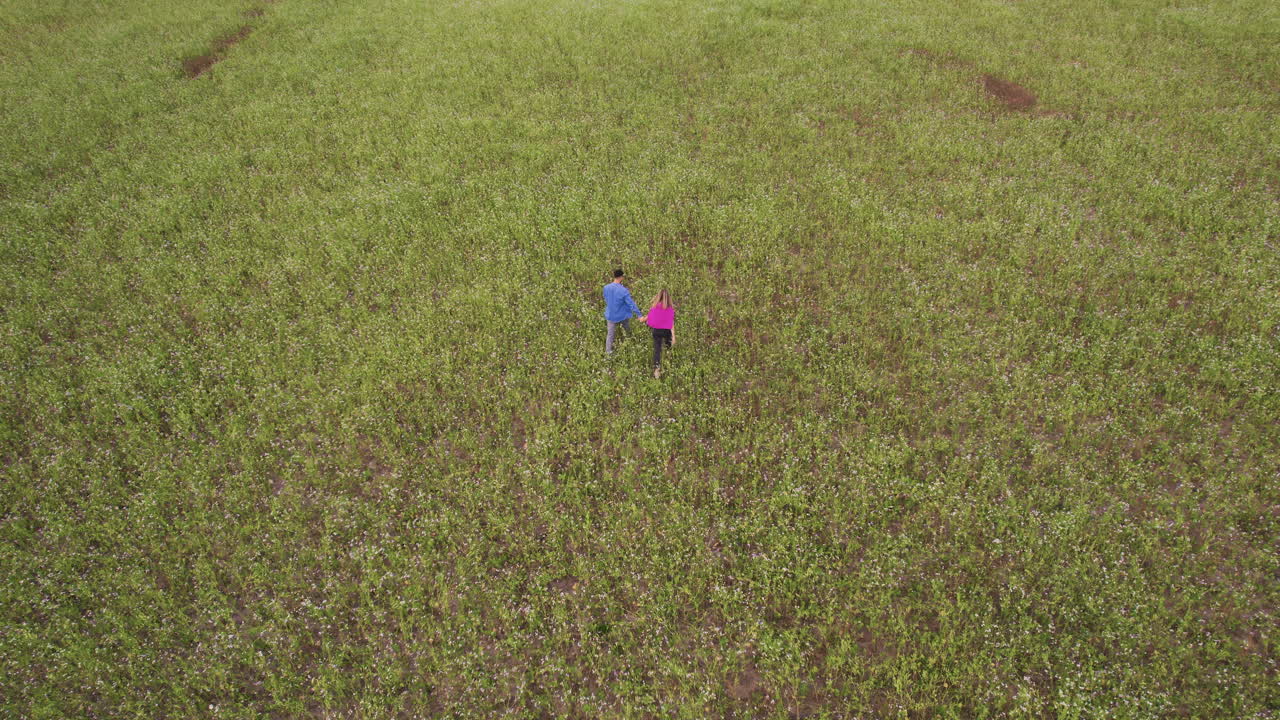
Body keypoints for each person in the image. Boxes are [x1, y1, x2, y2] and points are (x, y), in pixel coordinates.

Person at [603, 269, 642, 355]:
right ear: (621, 277)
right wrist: (639, 314)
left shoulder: (606, 288)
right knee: (627, 329)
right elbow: (631, 304)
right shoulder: (623, 290)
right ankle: (631, 342)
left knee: (610, 335)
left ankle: (608, 352)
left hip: (610, 315)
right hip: (622, 315)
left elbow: (605, 298)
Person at [642, 288, 675, 378]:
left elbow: (649, 317)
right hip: (666, 331)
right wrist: (673, 336)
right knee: (668, 346)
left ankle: (657, 370)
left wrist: (642, 319)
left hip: (656, 331)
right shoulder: (670, 308)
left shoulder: (654, 307)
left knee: (657, 350)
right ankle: (668, 361)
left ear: (658, 296)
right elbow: (671, 323)